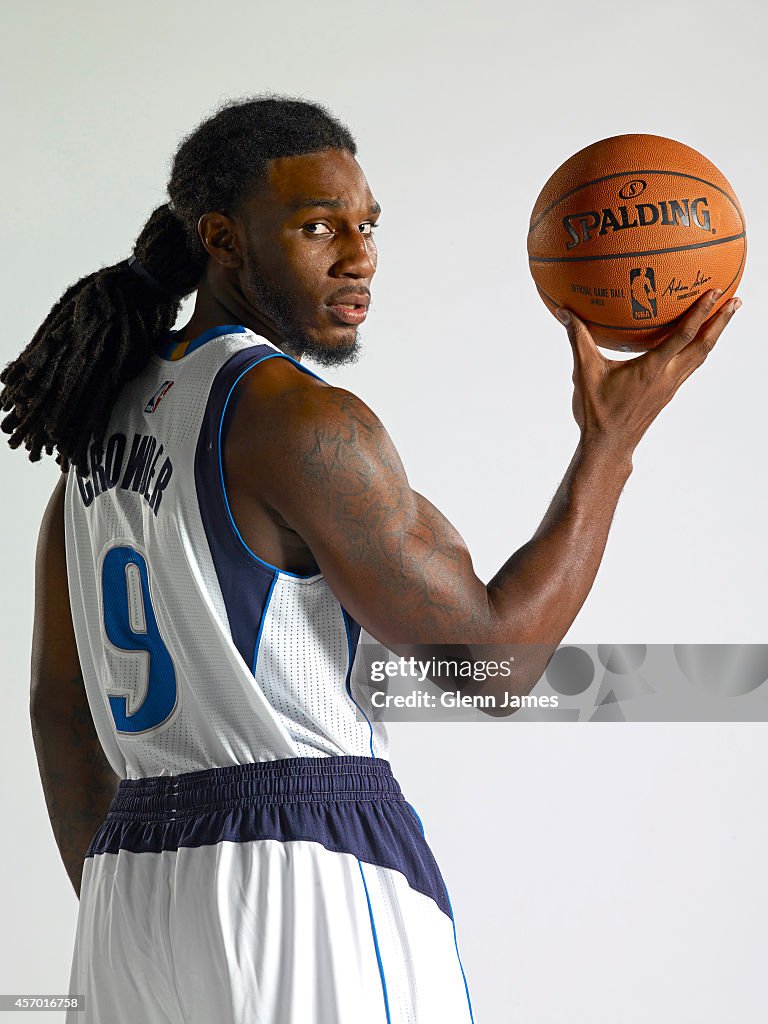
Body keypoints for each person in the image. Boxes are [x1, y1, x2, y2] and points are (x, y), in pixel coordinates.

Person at [1, 96, 739, 1024]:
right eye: (318, 228)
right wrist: (609, 443)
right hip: (303, 868)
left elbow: (58, 709)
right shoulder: (297, 420)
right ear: (223, 241)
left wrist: (150, 898)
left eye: (367, 225)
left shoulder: (91, 425)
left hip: (130, 897)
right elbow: (498, 663)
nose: (359, 256)